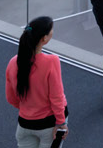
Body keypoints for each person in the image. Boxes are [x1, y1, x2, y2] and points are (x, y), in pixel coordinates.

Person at [5, 15, 67, 147]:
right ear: (44, 39)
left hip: (24, 125)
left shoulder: (13, 62)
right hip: (49, 126)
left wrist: (29, 108)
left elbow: (11, 98)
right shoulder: (52, 61)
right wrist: (61, 123)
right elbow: (56, 97)